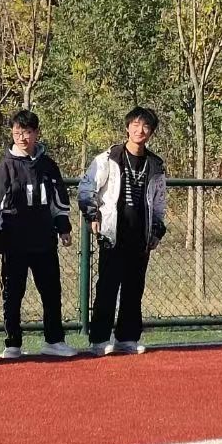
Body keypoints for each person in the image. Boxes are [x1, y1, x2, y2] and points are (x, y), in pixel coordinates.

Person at [0, 109, 77, 358]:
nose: (22, 138)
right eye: (17, 133)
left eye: (27, 132)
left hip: (44, 241)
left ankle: (54, 340)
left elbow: (59, 201)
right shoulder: (5, 168)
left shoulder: (48, 166)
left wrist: (63, 227)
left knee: (51, 292)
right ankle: (12, 343)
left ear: (36, 133)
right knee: (13, 293)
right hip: (14, 242)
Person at [78, 107, 167, 355]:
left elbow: (159, 202)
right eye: (135, 125)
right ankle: (99, 340)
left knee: (134, 288)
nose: (140, 130)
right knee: (107, 287)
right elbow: (87, 188)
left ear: (151, 132)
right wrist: (92, 214)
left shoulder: (156, 165)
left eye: (146, 126)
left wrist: (157, 230)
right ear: (127, 128)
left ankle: (127, 338)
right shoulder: (108, 158)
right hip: (113, 234)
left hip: (141, 236)